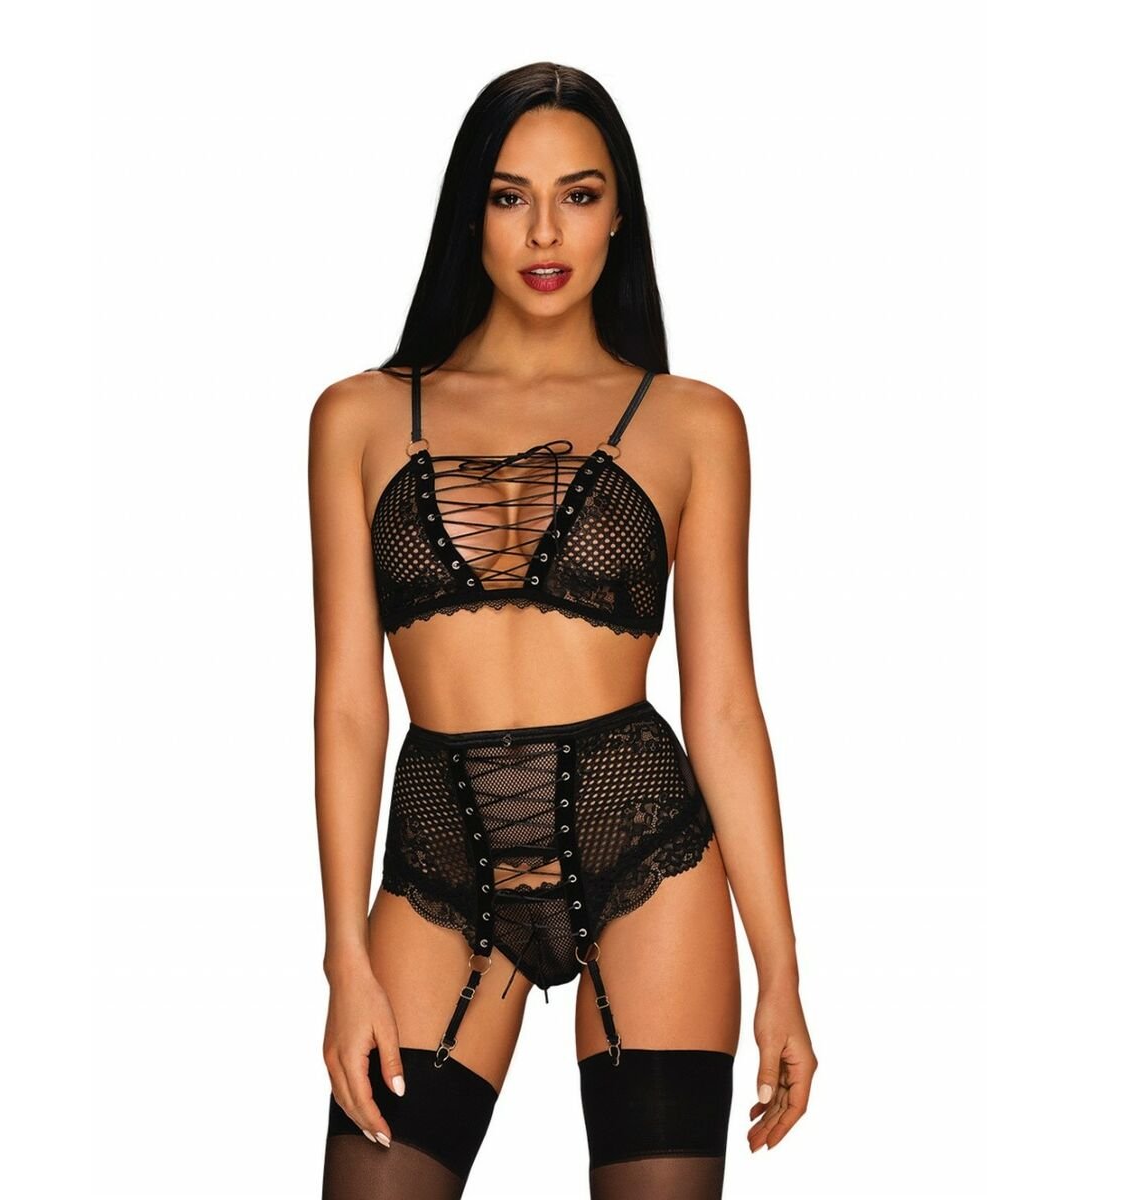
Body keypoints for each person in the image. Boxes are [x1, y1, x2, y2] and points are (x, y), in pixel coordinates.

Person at [308, 61, 817, 1200]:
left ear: (618, 213)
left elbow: (724, 706)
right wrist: (344, 953)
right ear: (470, 212)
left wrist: (782, 968)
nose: (545, 231)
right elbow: (348, 704)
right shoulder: (359, 416)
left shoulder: (694, 424)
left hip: (646, 848)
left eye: (579, 196)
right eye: (510, 196)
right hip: (437, 854)